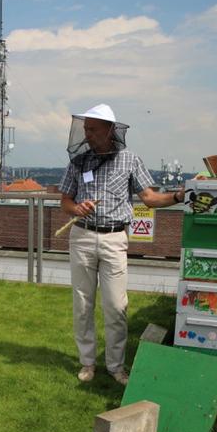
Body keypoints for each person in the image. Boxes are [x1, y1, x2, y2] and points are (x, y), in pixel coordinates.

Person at [59, 104, 184, 385]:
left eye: (92, 129)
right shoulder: (78, 162)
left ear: (110, 130)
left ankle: (116, 366)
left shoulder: (130, 160)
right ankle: (88, 363)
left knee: (116, 305)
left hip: (115, 238)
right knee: (82, 304)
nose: (87, 134)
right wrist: (76, 208)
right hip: (82, 236)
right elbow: (64, 201)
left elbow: (150, 198)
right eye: (85, 128)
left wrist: (178, 196)